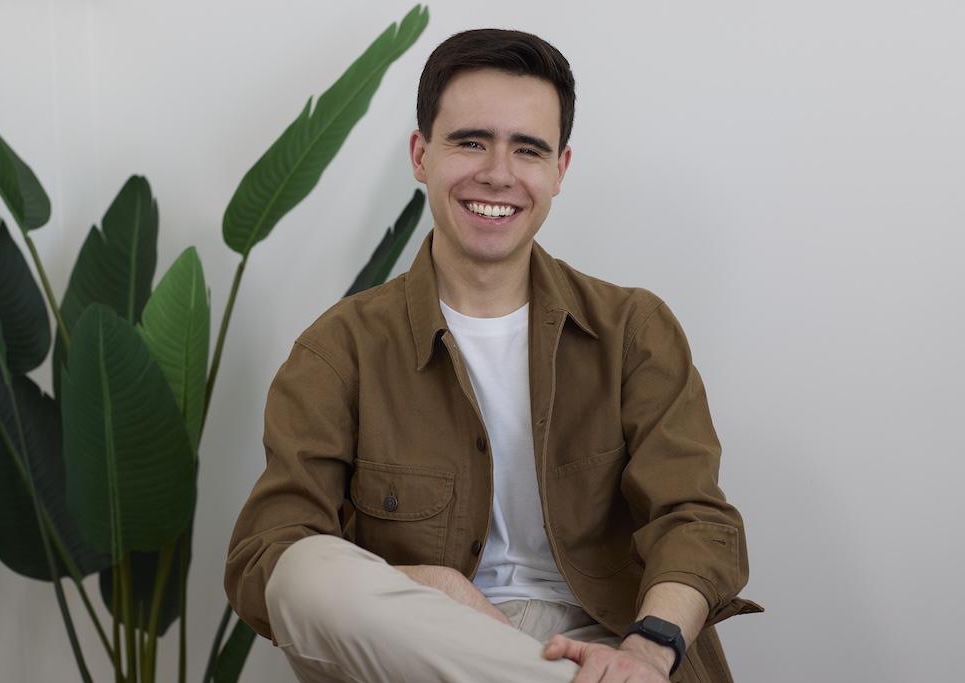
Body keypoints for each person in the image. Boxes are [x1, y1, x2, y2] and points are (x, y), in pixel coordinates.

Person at [225, 28, 760, 683]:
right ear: (421, 155)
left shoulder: (634, 330)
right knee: (300, 569)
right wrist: (435, 587)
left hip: (611, 643)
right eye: (471, 142)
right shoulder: (339, 350)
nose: (498, 173)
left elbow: (695, 520)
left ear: (559, 170)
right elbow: (263, 557)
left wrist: (647, 650)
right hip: (426, 645)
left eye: (528, 149)